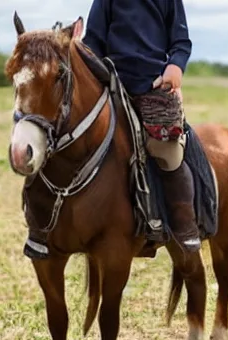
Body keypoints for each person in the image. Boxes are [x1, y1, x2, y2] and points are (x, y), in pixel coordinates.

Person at [84, 0, 200, 252]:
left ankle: (183, 222)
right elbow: (92, 41)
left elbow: (181, 42)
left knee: (167, 150)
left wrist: (175, 67)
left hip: (154, 85)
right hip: (110, 84)